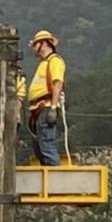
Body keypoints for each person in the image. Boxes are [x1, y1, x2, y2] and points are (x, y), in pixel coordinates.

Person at [28, 30, 66, 166]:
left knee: (47, 145)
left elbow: (57, 83)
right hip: (38, 108)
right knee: (40, 148)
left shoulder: (54, 60)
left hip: (46, 106)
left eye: (35, 44)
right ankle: (48, 179)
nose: (34, 48)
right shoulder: (44, 63)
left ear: (43, 43)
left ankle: (55, 180)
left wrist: (53, 108)